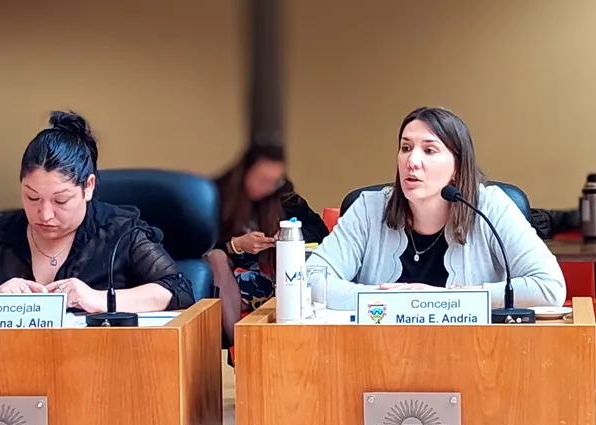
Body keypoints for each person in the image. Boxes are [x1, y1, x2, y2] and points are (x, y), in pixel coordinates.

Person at [306, 106, 566, 310]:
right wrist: (390, 301)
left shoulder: (491, 207)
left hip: (473, 357)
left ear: (457, 167)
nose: (412, 161)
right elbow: (308, 281)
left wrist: (443, 298)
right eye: (406, 148)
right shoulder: (369, 209)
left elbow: (549, 288)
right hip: (378, 356)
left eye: (429, 150)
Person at [0, 111, 195, 312]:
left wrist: (99, 299)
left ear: (89, 187)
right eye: (32, 197)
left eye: (60, 201)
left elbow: (178, 290)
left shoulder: (120, 231)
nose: (44, 214)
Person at [208, 144, 328, 343]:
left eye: (274, 182)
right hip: (230, 278)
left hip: (279, 276)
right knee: (216, 257)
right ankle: (239, 346)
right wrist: (235, 245)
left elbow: (321, 231)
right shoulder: (220, 200)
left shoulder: (285, 198)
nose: (268, 187)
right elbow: (201, 247)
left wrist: (290, 234)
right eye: (262, 180)